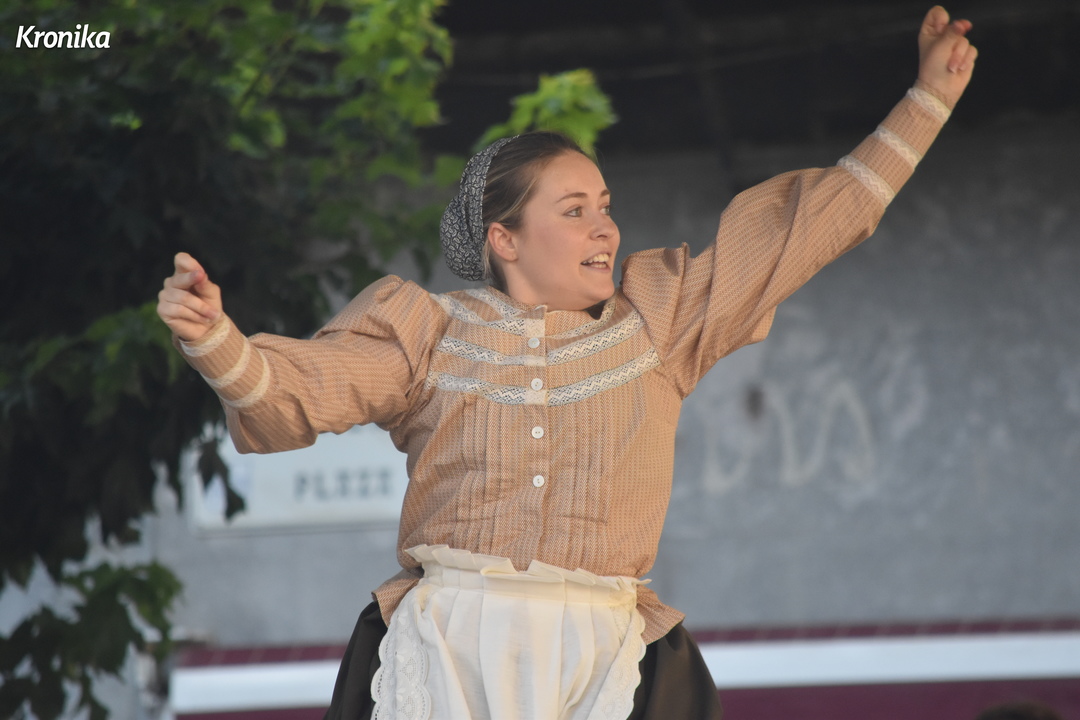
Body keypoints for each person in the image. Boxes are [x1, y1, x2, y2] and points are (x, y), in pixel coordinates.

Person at [157, 6, 976, 719]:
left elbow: (805, 231)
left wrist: (927, 101)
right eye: (575, 210)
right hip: (450, 645)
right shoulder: (428, 333)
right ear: (505, 240)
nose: (604, 228)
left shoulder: (659, 321)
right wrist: (215, 339)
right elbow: (307, 389)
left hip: (603, 652)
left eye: (606, 208)